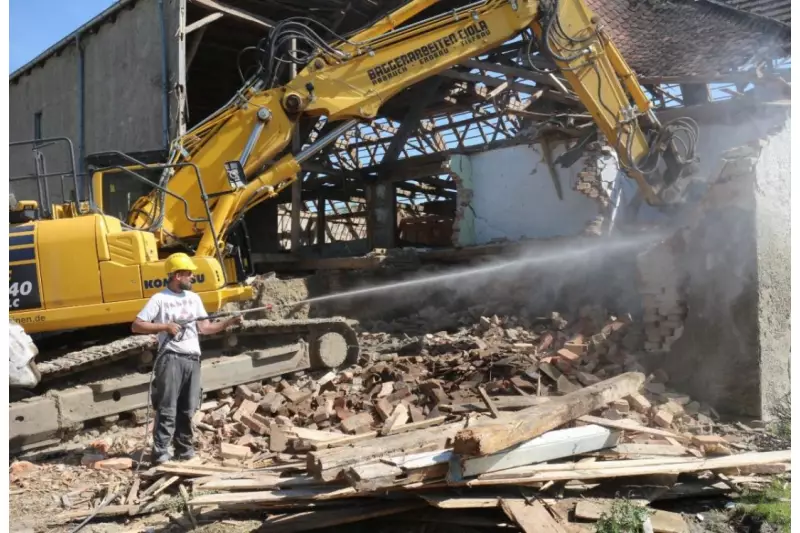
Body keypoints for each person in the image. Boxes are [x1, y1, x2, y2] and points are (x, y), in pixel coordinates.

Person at [132, 252, 242, 464]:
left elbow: (205, 328)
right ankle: (161, 452)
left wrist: (228, 323)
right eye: (188, 273)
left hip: (192, 358)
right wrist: (164, 326)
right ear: (176, 275)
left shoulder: (193, 298)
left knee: (187, 407)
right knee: (167, 406)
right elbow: (137, 325)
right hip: (171, 357)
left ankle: (184, 449)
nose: (192, 277)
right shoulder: (160, 299)